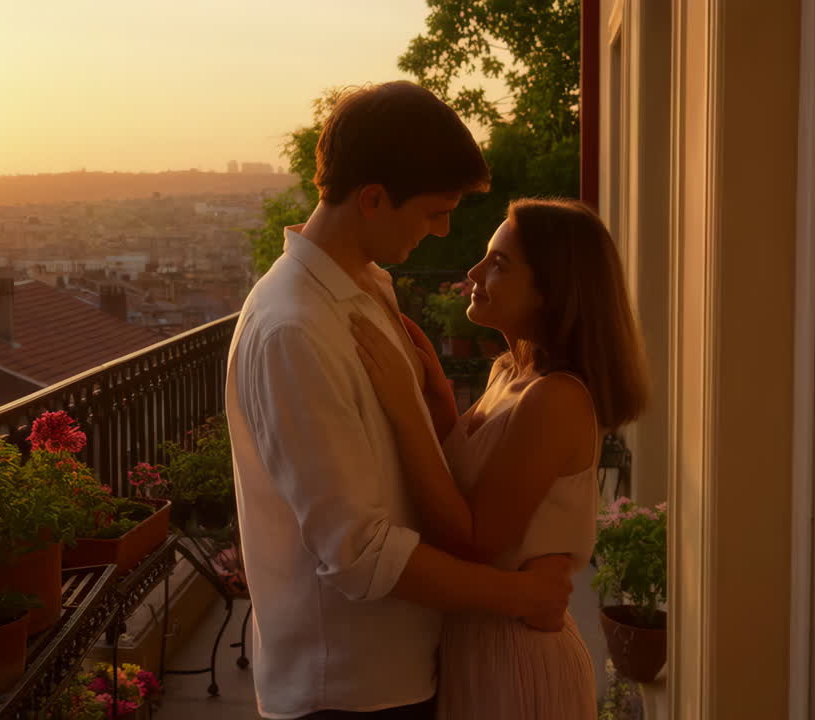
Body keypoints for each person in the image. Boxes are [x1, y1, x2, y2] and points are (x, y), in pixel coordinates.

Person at [225, 81, 575, 720]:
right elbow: (357, 553)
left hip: (398, 666)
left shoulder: (362, 289)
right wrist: (518, 597)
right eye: (433, 212)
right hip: (349, 689)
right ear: (374, 198)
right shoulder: (294, 329)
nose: (442, 232)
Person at [351, 197, 651, 719]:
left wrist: (404, 405)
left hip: (515, 659)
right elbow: (461, 481)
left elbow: (476, 540)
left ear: (552, 291)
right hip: (477, 646)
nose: (473, 271)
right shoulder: (507, 375)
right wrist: (441, 404)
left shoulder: (554, 398)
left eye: (499, 263)